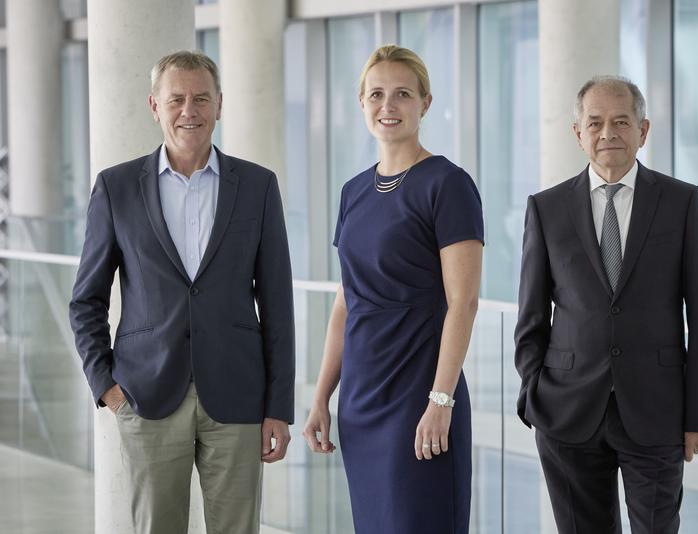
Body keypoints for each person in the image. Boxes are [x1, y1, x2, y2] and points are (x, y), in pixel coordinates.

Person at [69, 50, 294, 534]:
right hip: (144, 393)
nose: (188, 110)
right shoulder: (117, 187)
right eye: (176, 99)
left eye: (200, 99)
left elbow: (278, 305)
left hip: (237, 395)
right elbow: (87, 299)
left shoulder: (257, 186)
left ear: (219, 105)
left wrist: (278, 406)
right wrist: (105, 387)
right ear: (155, 105)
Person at [514, 75, 698, 534]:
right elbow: (530, 318)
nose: (608, 133)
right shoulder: (545, 209)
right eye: (595, 122)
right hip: (565, 415)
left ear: (643, 131)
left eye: (621, 121)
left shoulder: (683, 202)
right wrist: (534, 396)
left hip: (657, 411)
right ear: (578, 134)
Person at [302, 45, 483, 534]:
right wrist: (321, 395)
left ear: (425, 103)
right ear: (361, 102)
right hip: (362, 400)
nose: (389, 105)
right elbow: (346, 303)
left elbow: (463, 304)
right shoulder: (353, 191)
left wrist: (440, 401)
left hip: (420, 398)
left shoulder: (448, 184)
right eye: (377, 93)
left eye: (403, 93)